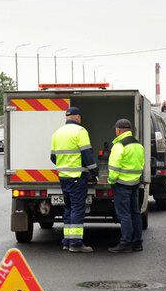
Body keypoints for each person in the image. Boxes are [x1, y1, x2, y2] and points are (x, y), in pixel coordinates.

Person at [51, 106, 99, 253]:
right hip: (77, 178)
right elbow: (87, 154)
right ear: (78, 117)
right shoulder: (80, 131)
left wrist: (64, 166)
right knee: (78, 209)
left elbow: (53, 157)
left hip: (63, 177)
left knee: (69, 209)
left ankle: (67, 241)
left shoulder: (57, 133)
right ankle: (76, 244)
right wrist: (94, 171)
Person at [107, 118, 145, 253]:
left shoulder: (119, 146)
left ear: (118, 130)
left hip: (121, 184)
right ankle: (137, 242)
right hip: (134, 183)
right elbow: (141, 164)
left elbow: (114, 167)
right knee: (135, 212)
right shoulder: (138, 145)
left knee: (124, 214)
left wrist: (111, 180)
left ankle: (125, 243)